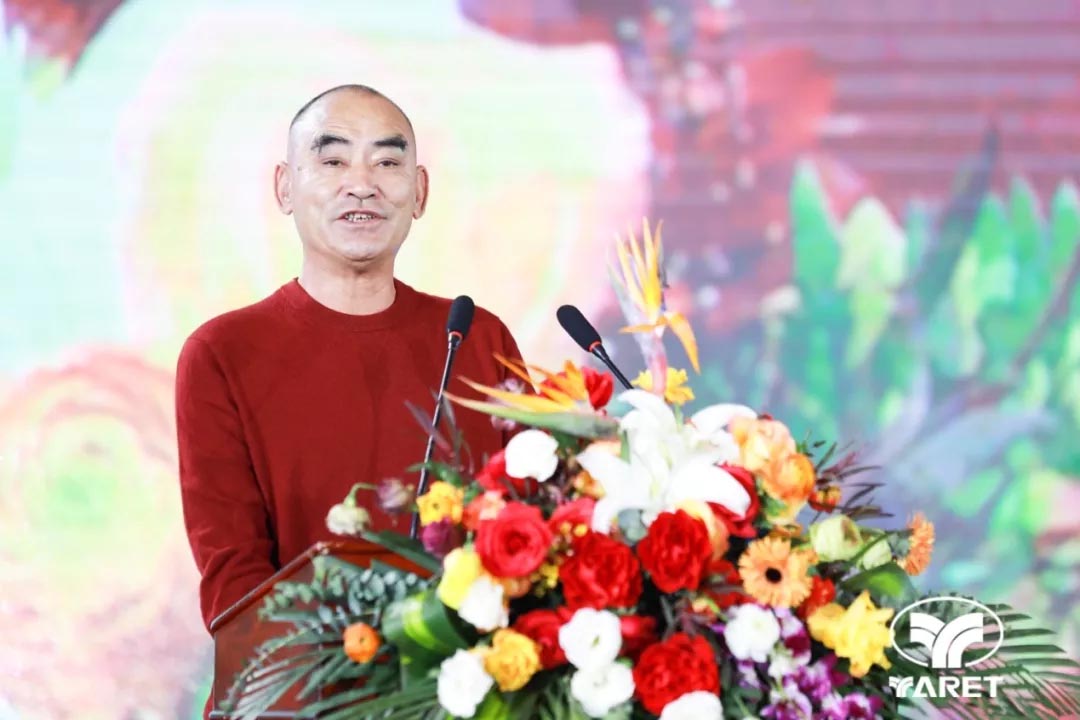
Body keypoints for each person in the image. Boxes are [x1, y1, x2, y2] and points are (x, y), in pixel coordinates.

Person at [175, 85, 524, 632]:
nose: (362, 185)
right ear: (285, 186)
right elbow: (234, 577)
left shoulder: (476, 339)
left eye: (387, 162)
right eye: (333, 161)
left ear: (420, 192)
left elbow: (533, 524)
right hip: (303, 674)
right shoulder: (222, 353)